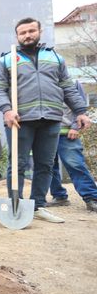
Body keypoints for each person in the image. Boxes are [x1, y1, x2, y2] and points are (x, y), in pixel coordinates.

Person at [0, 17, 91, 224]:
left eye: (31, 31)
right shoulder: (7, 59)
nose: (27, 35)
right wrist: (7, 110)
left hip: (51, 118)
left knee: (45, 164)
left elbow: (67, 87)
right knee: (17, 164)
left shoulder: (55, 58)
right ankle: (15, 205)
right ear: (17, 36)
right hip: (20, 120)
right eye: (22, 32)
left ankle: (38, 206)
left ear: (39, 32)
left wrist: (80, 111)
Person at [46, 81, 97, 212]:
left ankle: (92, 197)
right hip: (45, 132)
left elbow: (79, 105)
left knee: (75, 164)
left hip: (68, 131)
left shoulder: (71, 82)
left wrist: (75, 126)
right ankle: (59, 196)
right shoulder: (39, 80)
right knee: (48, 166)